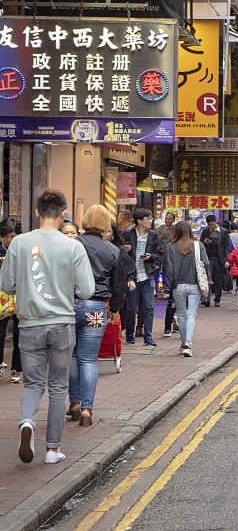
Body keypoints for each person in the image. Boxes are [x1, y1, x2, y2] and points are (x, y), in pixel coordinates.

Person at [4, 188, 94, 465]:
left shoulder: (19, 243)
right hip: (62, 324)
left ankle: (27, 423)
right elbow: (88, 290)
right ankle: (53, 449)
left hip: (29, 324)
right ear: (64, 213)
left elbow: (6, 285)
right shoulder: (73, 246)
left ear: (36, 212)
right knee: (57, 387)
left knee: (32, 384)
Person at [74, 205, 128, 427]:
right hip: (96, 308)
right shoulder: (113, 251)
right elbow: (119, 285)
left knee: (72, 356)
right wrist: (114, 309)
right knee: (89, 359)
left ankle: (74, 403)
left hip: (69, 305)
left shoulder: (73, 244)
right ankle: (87, 408)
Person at [162, 221, 209, 358]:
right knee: (191, 315)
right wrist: (208, 282)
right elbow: (206, 264)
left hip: (178, 286)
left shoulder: (171, 248)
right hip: (195, 285)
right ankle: (188, 342)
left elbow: (169, 270)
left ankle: (184, 344)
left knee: (181, 315)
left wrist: (167, 288)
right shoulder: (198, 245)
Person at [119, 209, 162, 347]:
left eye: (151, 218)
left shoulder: (153, 235)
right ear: (139, 221)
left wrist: (151, 256)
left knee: (149, 307)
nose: (150, 221)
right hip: (132, 276)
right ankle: (130, 334)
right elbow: (120, 253)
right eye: (147, 218)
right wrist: (123, 249)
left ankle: (147, 336)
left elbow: (159, 253)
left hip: (147, 275)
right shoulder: (127, 234)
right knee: (131, 308)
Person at [0, 220, 20, 383]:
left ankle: (16, 368)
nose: (10, 240)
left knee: (19, 335)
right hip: (2, 298)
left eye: (13, 236)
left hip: (20, 295)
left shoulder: (23, 249)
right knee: (0, 333)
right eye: (7, 236)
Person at [199, 214, 229, 307]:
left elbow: (226, 246)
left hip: (219, 258)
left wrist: (226, 259)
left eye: (211, 224)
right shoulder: (205, 231)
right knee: (208, 279)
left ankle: (217, 299)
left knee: (218, 281)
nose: (210, 226)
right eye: (209, 225)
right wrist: (205, 243)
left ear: (215, 222)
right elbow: (201, 244)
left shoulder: (224, 232)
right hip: (208, 258)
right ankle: (206, 299)